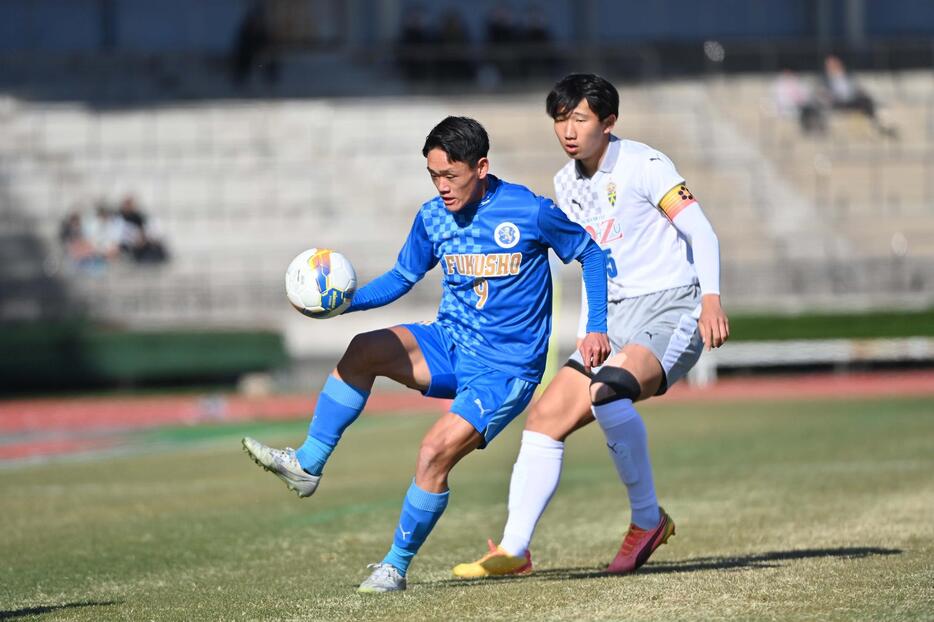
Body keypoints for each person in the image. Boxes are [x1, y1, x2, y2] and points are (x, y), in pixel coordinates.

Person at [241, 116, 611, 593]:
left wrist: (596, 326)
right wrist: (345, 303)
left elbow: (591, 253)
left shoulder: (529, 210)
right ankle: (308, 463)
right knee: (363, 350)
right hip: (449, 342)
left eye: (450, 176)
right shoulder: (432, 216)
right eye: (433, 176)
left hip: (504, 370)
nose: (441, 187)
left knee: (434, 452)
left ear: (481, 167)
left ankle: (393, 567)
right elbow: (401, 277)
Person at [452, 74, 729, 579]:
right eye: (560, 120)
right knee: (544, 419)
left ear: (608, 122)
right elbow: (589, 262)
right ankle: (515, 550)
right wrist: (590, 330)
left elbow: (701, 231)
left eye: (579, 118)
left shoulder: (646, 165)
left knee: (609, 391)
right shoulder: (565, 184)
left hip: (672, 308)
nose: (569, 130)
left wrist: (711, 300)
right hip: (615, 319)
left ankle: (647, 521)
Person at [819, 55, 897, 138]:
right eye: (829, 65)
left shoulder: (848, 75)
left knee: (867, 101)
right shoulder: (824, 79)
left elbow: (857, 88)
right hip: (837, 101)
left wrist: (861, 92)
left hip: (852, 99)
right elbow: (822, 92)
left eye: (833, 64)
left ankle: (878, 127)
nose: (831, 66)